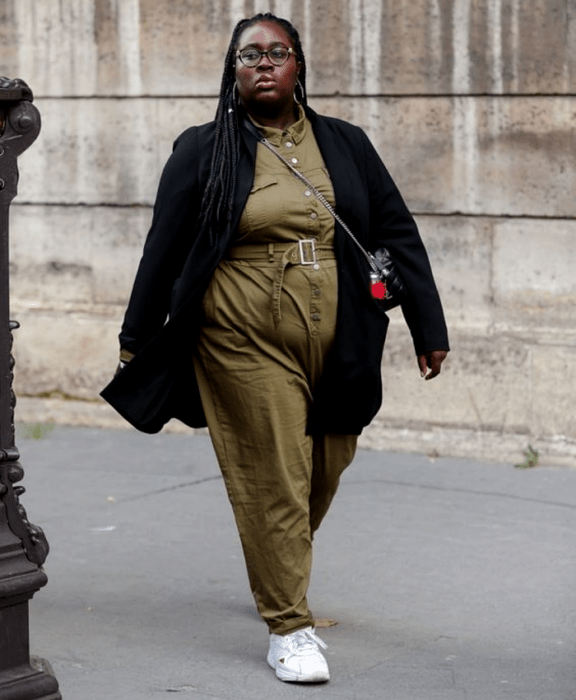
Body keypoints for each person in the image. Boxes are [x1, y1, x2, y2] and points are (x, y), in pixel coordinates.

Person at [101, 12, 449, 683]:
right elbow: (162, 249)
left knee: (326, 462)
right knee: (278, 477)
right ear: (233, 73)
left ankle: (275, 558)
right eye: (248, 54)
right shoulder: (203, 149)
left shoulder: (346, 144)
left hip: (342, 333)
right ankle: (289, 626)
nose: (263, 63)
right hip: (240, 335)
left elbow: (397, 232)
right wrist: (135, 338)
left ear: (298, 67)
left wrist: (427, 328)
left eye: (277, 52)